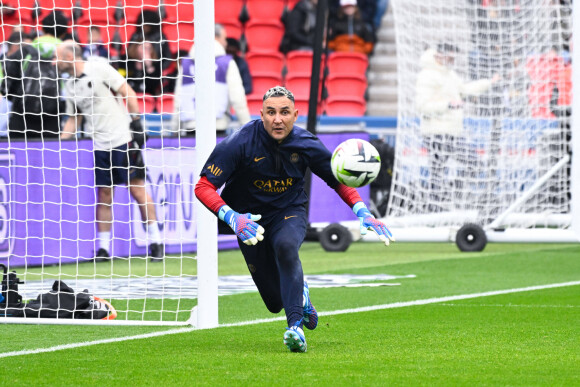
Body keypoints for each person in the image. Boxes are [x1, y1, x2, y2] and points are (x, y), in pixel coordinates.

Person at [194, 85, 394, 352]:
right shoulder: (240, 142)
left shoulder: (306, 143)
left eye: (285, 112)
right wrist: (233, 218)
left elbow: (338, 181)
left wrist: (362, 211)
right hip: (248, 222)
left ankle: (295, 328)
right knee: (274, 302)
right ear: (261, 115)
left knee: (287, 247)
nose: (278, 119)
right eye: (271, 112)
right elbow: (203, 186)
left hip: (289, 211)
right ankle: (302, 295)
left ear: (295, 114)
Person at [55, 41, 164, 262]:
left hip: (123, 139)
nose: (53, 62)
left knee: (137, 191)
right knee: (104, 195)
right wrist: (60, 142)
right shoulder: (69, 86)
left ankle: (156, 241)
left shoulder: (98, 67)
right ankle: (103, 249)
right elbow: (75, 118)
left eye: (56, 57)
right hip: (99, 145)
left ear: (68, 56)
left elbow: (127, 91)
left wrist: (136, 123)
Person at [415, 43, 498, 211]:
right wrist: (448, 105)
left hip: (452, 132)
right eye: (450, 57)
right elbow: (422, 106)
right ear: (439, 55)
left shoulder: (449, 74)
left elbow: (465, 89)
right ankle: (436, 206)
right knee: (441, 172)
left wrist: (488, 82)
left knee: (464, 166)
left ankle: (446, 194)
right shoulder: (426, 76)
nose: (452, 61)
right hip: (436, 133)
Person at [174, 24, 251, 136]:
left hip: (191, 128)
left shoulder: (185, 64)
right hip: (218, 127)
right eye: (224, 39)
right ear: (216, 38)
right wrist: (248, 129)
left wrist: (175, 129)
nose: (226, 43)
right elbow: (238, 99)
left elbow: (178, 100)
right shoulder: (227, 63)